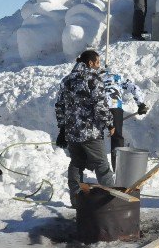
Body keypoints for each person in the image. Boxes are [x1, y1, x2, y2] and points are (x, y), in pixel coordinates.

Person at [54, 50, 115, 208]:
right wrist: (110, 123)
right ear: (90, 63)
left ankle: (76, 199)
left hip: (72, 132)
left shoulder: (66, 80)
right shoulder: (93, 78)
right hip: (90, 132)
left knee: (76, 163)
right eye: (98, 62)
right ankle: (111, 201)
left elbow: (60, 106)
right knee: (101, 164)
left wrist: (62, 128)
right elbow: (100, 105)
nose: (99, 66)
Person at [100, 67, 149, 170]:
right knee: (117, 138)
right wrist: (141, 104)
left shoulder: (93, 79)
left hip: (98, 109)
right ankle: (118, 170)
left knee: (95, 139)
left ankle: (96, 169)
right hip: (115, 108)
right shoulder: (116, 77)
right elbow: (133, 87)